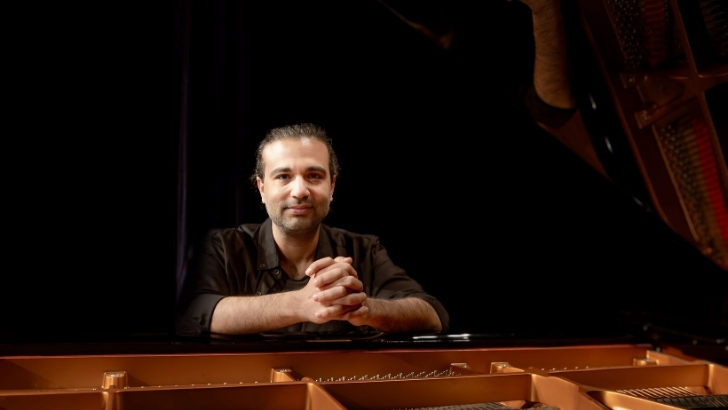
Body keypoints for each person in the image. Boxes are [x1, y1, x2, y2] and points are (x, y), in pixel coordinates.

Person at [176, 123, 449, 336]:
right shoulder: (222, 246)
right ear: (262, 188)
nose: (299, 191)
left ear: (332, 187)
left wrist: (364, 307)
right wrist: (300, 304)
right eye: (283, 176)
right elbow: (193, 314)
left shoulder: (365, 249)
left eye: (314, 176)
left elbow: (432, 315)